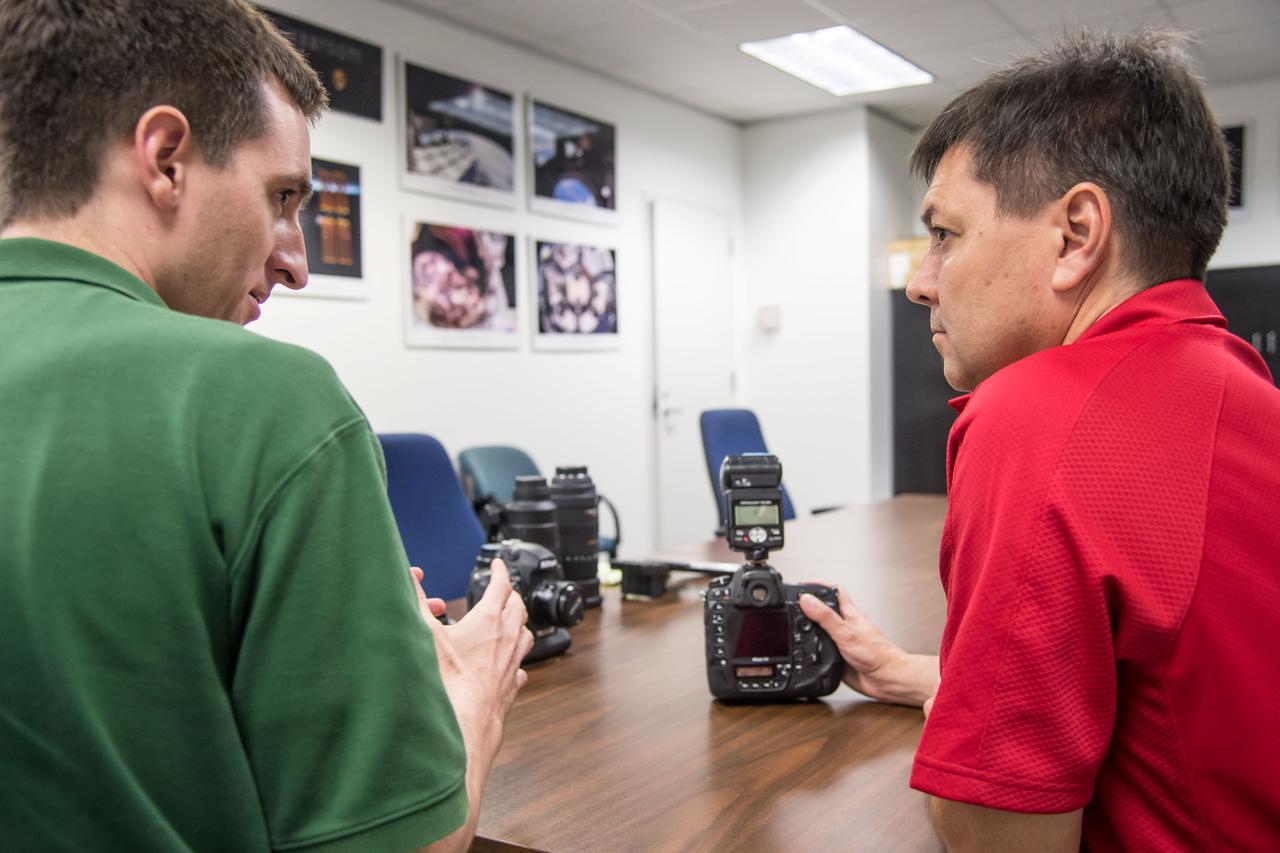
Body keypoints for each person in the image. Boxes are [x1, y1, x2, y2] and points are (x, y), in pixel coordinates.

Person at [0, 2, 531, 850]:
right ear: (166, 158)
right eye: (282, 197)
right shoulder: (267, 398)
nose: (297, 259)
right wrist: (470, 696)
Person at [799, 29, 1280, 851]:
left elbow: (1001, 834)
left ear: (1075, 235)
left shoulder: (1037, 417)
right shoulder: (1242, 387)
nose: (921, 281)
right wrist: (924, 679)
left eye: (944, 235)